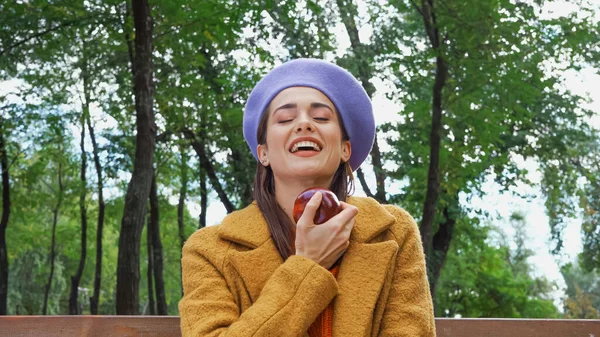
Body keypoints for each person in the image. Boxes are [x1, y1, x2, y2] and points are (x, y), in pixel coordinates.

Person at [179, 58, 436, 336]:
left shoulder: (394, 232)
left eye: (322, 117)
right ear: (262, 152)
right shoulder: (208, 250)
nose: (304, 124)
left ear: (345, 150)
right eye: (285, 118)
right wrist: (308, 266)